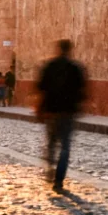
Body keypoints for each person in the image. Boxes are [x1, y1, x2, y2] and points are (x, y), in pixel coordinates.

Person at [36, 39, 87, 192]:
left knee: (51, 143)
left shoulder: (49, 66)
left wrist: (40, 108)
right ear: (70, 50)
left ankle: (50, 166)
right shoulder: (76, 68)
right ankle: (59, 181)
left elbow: (41, 88)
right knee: (65, 147)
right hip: (68, 112)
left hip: (51, 111)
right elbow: (83, 91)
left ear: (58, 49)